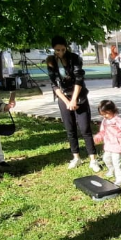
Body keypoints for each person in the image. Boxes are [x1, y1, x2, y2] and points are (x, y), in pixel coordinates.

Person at [47, 36, 100, 172]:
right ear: (53, 49)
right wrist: (66, 101)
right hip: (63, 98)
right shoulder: (51, 61)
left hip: (78, 96)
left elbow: (79, 79)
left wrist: (74, 99)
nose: (60, 52)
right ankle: (76, 157)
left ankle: (93, 159)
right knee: (70, 129)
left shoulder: (74, 58)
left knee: (85, 129)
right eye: (57, 50)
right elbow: (54, 84)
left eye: (63, 49)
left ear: (66, 47)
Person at [93, 100, 121, 186]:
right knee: (106, 159)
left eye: (106, 113)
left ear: (113, 110)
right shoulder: (105, 121)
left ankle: (120, 177)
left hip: (118, 145)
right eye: (102, 114)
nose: (104, 116)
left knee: (116, 162)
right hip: (109, 145)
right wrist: (99, 136)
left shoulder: (118, 120)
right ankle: (111, 170)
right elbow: (103, 131)